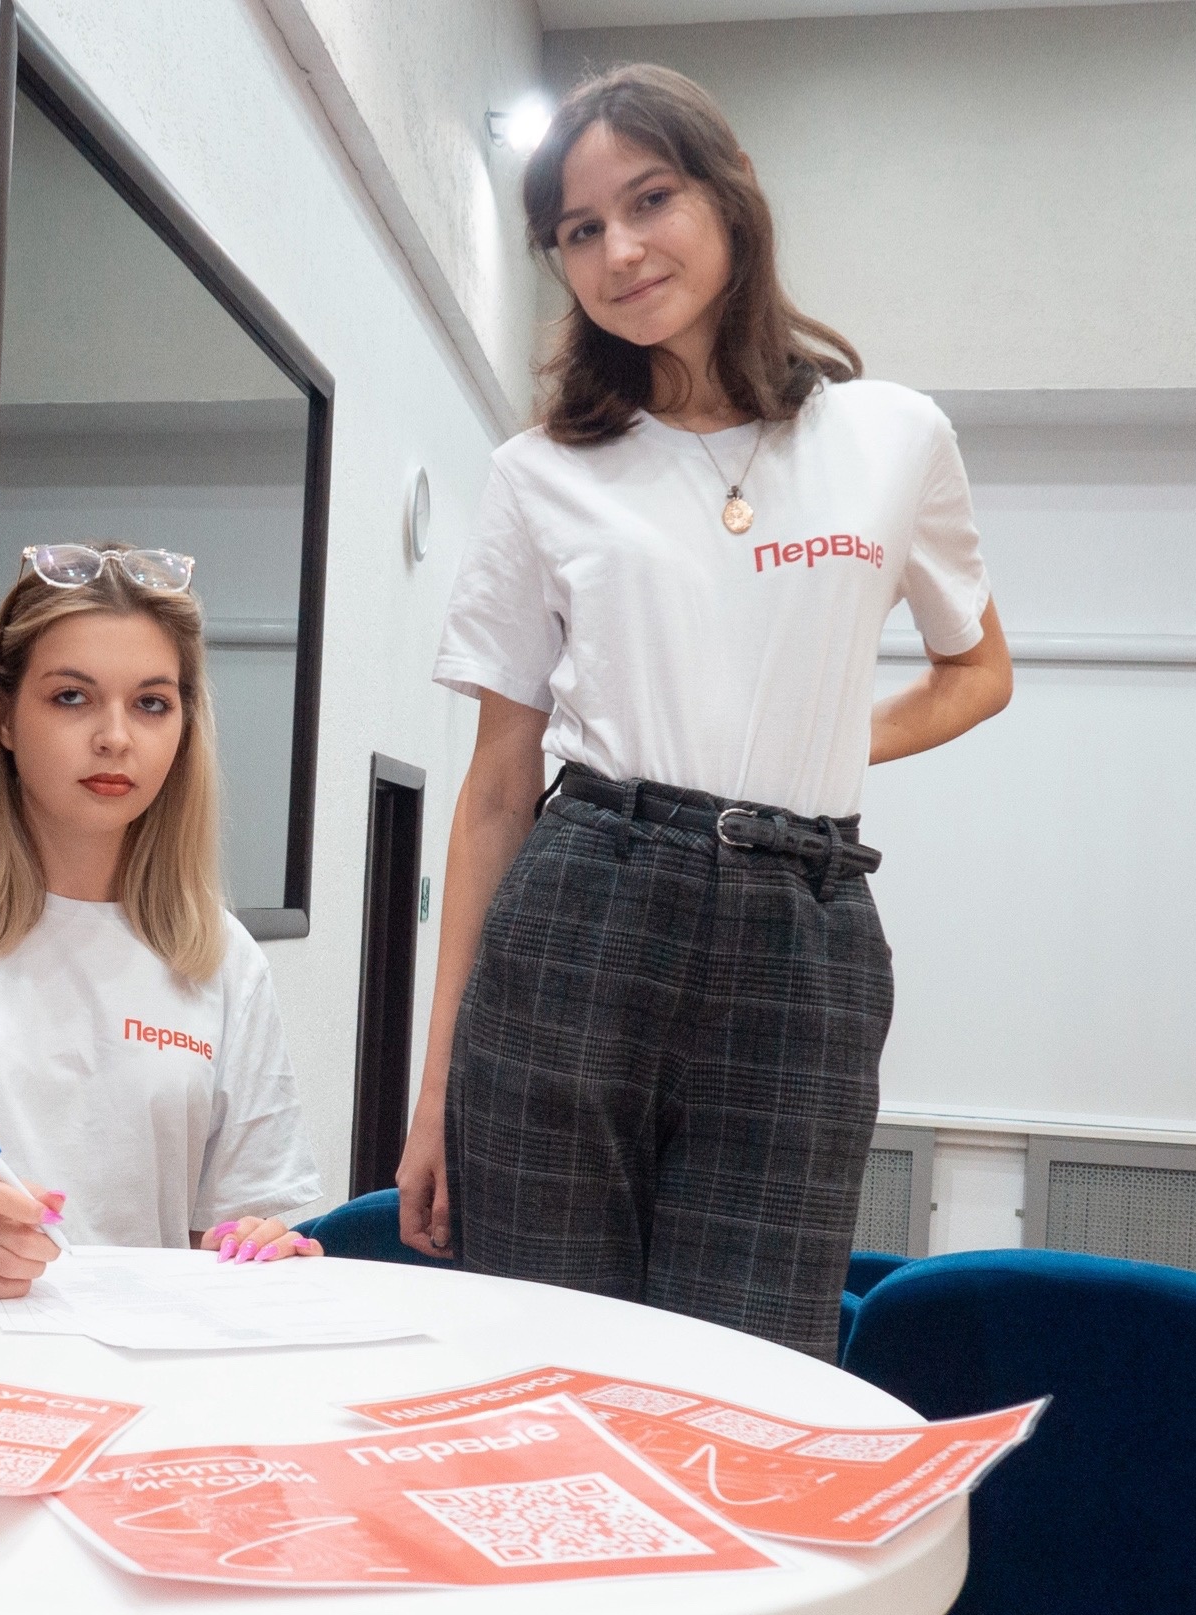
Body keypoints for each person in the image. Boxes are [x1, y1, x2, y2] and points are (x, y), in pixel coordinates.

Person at [396, 65, 1014, 1366]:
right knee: (543, 1359)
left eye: (650, 199)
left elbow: (977, 672)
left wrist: (818, 739)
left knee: (749, 1374)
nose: (619, 251)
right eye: (578, 229)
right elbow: (498, 787)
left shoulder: (891, 437)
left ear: (729, 197)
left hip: (802, 932)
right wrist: (436, 1083)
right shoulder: (540, 474)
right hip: (582, 903)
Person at [0, 544, 326, 1297]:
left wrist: (262, 1252)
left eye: (151, 704)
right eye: (71, 697)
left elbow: (227, 1232)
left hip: (145, 1349)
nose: (115, 737)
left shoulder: (222, 960)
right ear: (4, 717)